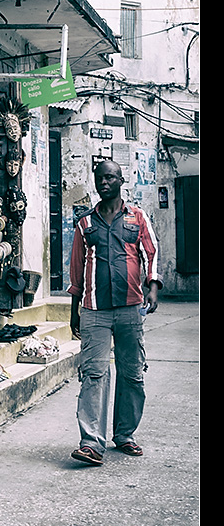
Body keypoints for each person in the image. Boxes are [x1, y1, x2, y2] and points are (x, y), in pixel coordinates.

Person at [67, 159, 161, 466]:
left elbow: (151, 253)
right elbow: (77, 270)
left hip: (131, 308)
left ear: (121, 180)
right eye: (100, 179)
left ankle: (125, 435)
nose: (104, 183)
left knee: (132, 373)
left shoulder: (137, 217)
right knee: (94, 374)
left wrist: (153, 287)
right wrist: (74, 311)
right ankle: (91, 443)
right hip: (94, 310)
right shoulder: (85, 223)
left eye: (109, 177)